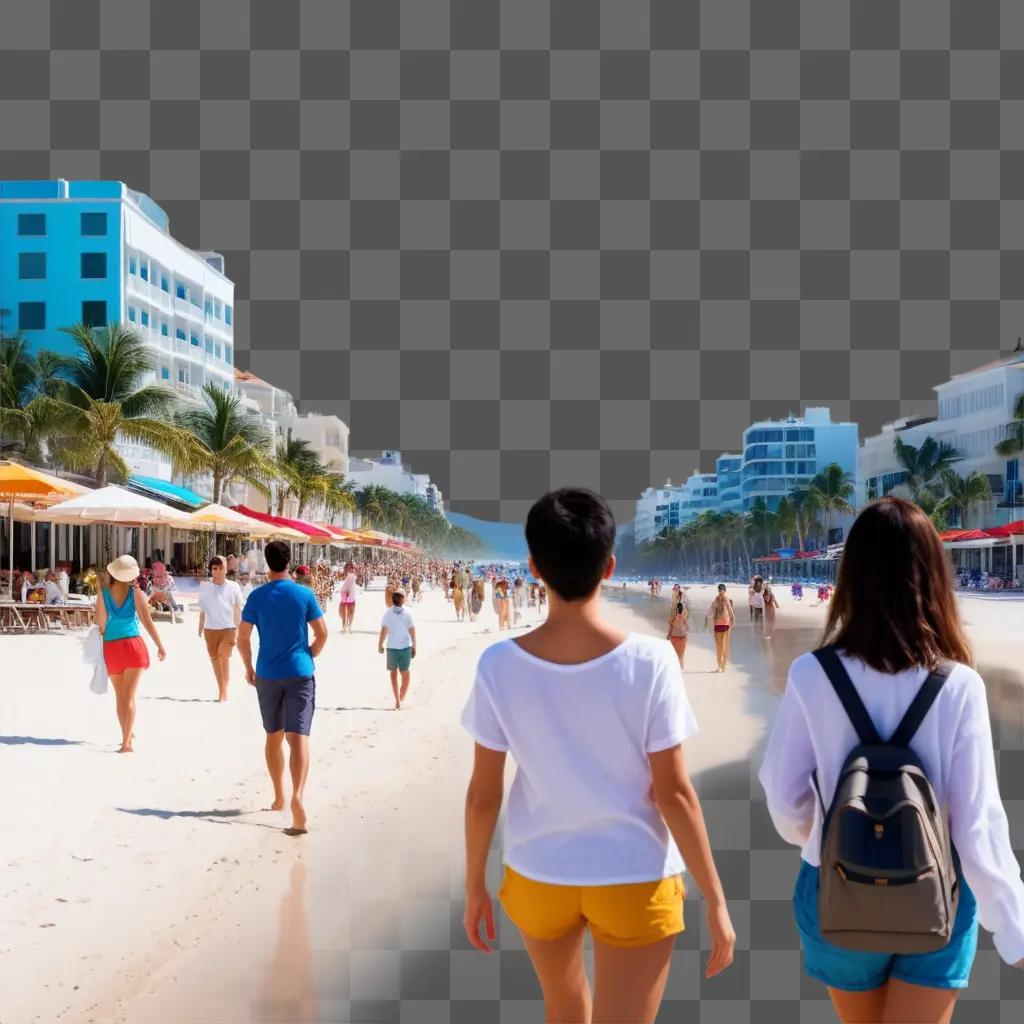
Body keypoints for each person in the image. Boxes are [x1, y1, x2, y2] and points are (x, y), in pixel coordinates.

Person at [461, 489, 735, 1023]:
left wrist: (475, 885)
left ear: (534, 566)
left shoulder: (498, 665)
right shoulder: (652, 660)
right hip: (634, 873)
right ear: (609, 566)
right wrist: (717, 900)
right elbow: (674, 792)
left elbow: (482, 795)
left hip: (540, 872)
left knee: (564, 1011)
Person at [759, 497, 1024, 1023]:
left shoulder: (813, 674)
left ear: (852, 574)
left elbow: (782, 795)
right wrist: (1013, 928)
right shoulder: (958, 685)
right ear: (932, 575)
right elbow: (978, 822)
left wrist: (828, 834)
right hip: (937, 886)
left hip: (838, 883)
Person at [237, 540, 329, 836]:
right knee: (298, 735)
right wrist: (310, 653)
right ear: (290, 562)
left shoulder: (257, 596)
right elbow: (322, 633)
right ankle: (298, 795)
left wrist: (248, 667)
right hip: (300, 672)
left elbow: (242, 638)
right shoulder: (304, 594)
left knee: (273, 735)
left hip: (268, 673)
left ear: (268, 562)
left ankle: (279, 796)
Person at [93, 555, 166, 753]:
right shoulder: (137, 593)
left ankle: (125, 735)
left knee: (120, 696)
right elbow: (146, 621)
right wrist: (160, 645)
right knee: (130, 696)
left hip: (112, 647)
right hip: (133, 646)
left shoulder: (103, 593)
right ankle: (127, 742)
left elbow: (100, 622)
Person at [197, 555, 245, 702]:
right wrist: (200, 626)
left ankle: (223, 690)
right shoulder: (205, 587)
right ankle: (221, 688)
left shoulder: (233, 586)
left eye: (220, 568)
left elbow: (238, 607)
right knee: (215, 659)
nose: (217, 571)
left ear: (226, 569)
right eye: (214, 568)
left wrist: (239, 627)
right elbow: (202, 609)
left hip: (229, 629)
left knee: (223, 656)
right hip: (210, 630)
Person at [378, 587, 417, 710]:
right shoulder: (409, 612)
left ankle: (397, 700)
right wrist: (415, 646)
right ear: (403, 599)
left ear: (393, 600)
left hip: (392, 648)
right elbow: (413, 632)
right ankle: (400, 698)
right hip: (405, 648)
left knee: (393, 675)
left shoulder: (388, 613)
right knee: (406, 675)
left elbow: (384, 631)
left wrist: (380, 644)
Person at [705, 585, 735, 673]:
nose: (721, 592)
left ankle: (723, 666)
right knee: (718, 646)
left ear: (725, 591)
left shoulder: (726, 599)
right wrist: (709, 613)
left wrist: (733, 617)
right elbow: (712, 609)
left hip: (725, 623)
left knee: (725, 645)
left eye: (722, 590)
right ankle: (719, 666)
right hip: (717, 624)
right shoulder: (716, 599)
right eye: (720, 590)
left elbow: (729, 609)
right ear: (718, 591)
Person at [666, 600, 689, 668]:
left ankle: (676, 666)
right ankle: (681, 667)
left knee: (674, 652)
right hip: (682, 637)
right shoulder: (683, 618)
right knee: (681, 653)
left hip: (675, 637)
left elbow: (670, 627)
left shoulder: (673, 618)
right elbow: (687, 628)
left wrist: (668, 635)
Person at [338, 561, 358, 634]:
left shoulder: (354, 574)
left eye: (350, 567)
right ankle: (344, 626)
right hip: (344, 594)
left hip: (351, 594)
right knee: (343, 612)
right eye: (347, 567)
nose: (349, 568)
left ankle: (349, 626)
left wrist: (354, 569)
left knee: (351, 611)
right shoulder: (343, 574)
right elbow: (340, 578)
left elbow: (357, 576)